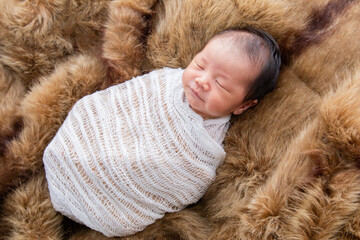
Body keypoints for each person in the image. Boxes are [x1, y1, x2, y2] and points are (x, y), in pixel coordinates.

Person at [42, 26, 281, 237]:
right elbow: (120, 104)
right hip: (87, 143)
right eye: (200, 64)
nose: (201, 81)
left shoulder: (205, 147)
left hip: (122, 197)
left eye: (221, 84)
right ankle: (74, 171)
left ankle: (94, 198)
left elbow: (186, 179)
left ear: (242, 106)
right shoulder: (165, 83)